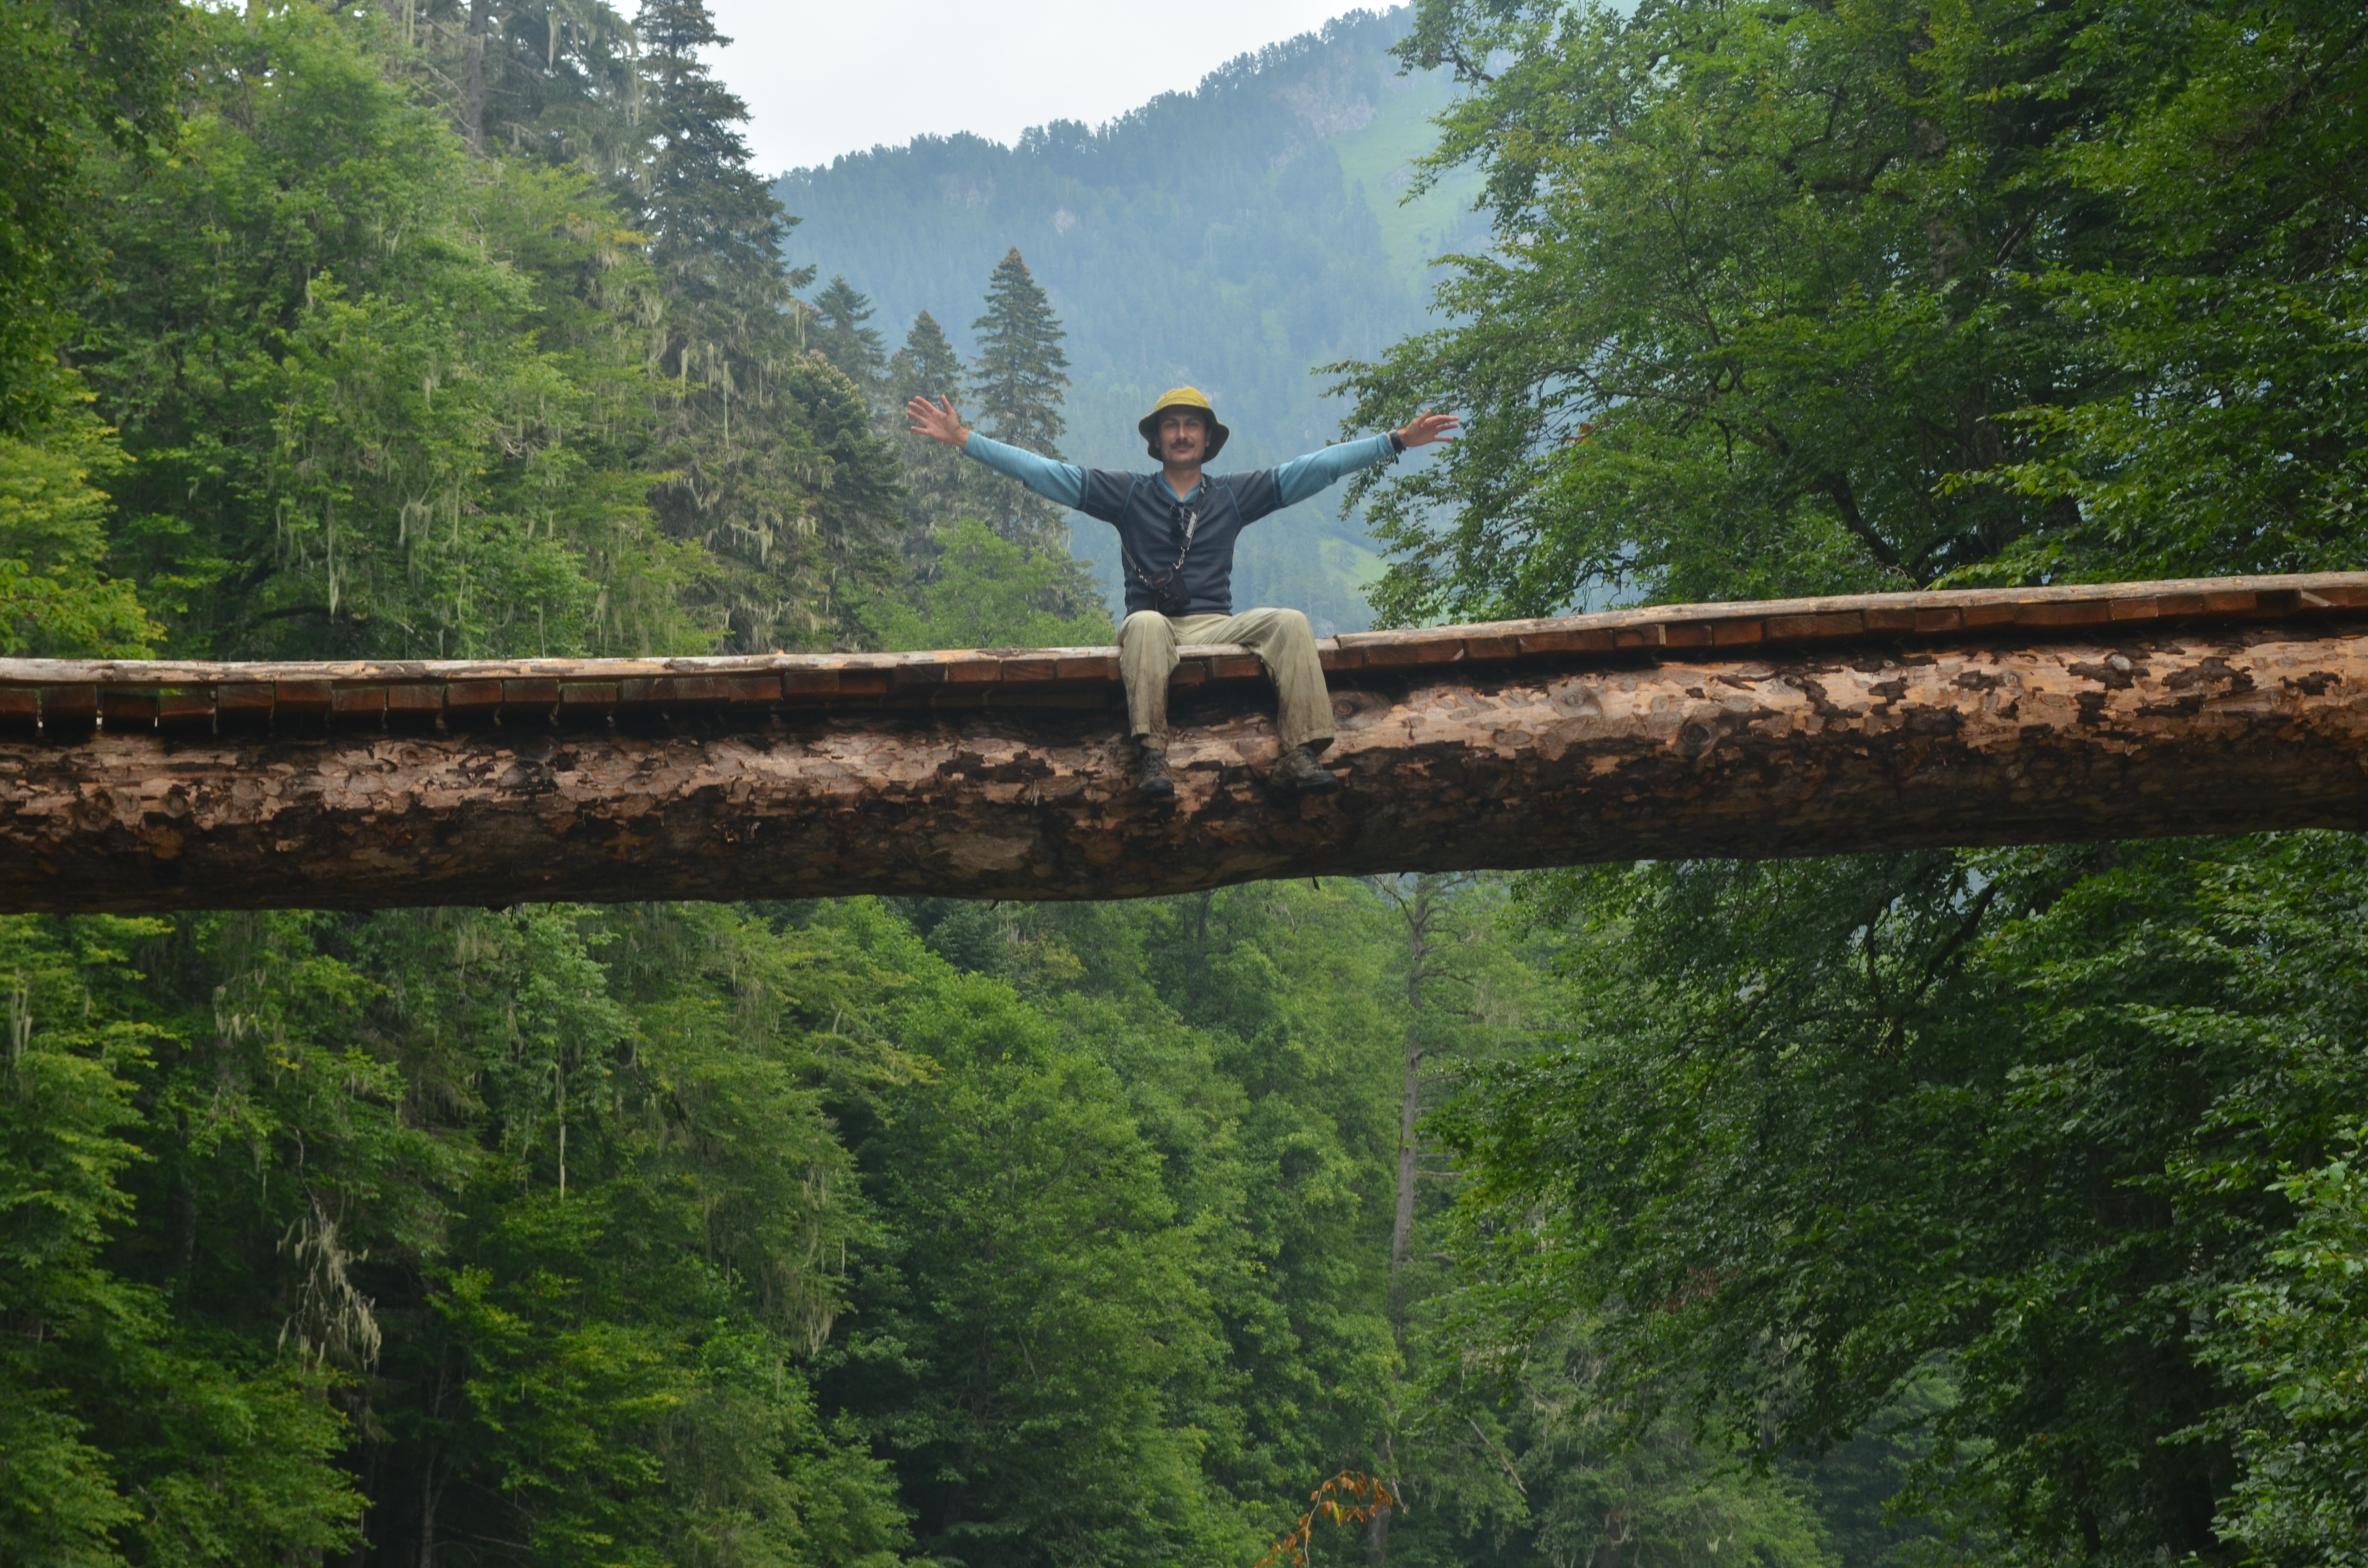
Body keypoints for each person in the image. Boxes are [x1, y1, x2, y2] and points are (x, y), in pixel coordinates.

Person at [905, 386, 1457, 799]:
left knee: (1289, 622)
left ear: (1208, 440)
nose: (1182, 434)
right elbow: (1045, 474)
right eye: (1171, 425)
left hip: (1215, 623)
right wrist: (964, 440)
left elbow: (1314, 471)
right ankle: (1151, 754)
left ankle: (1301, 751)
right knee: (1143, 624)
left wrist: (1394, 443)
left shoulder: (1233, 497)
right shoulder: (1125, 495)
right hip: (1154, 626)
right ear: (1156, 440)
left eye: (1192, 425)